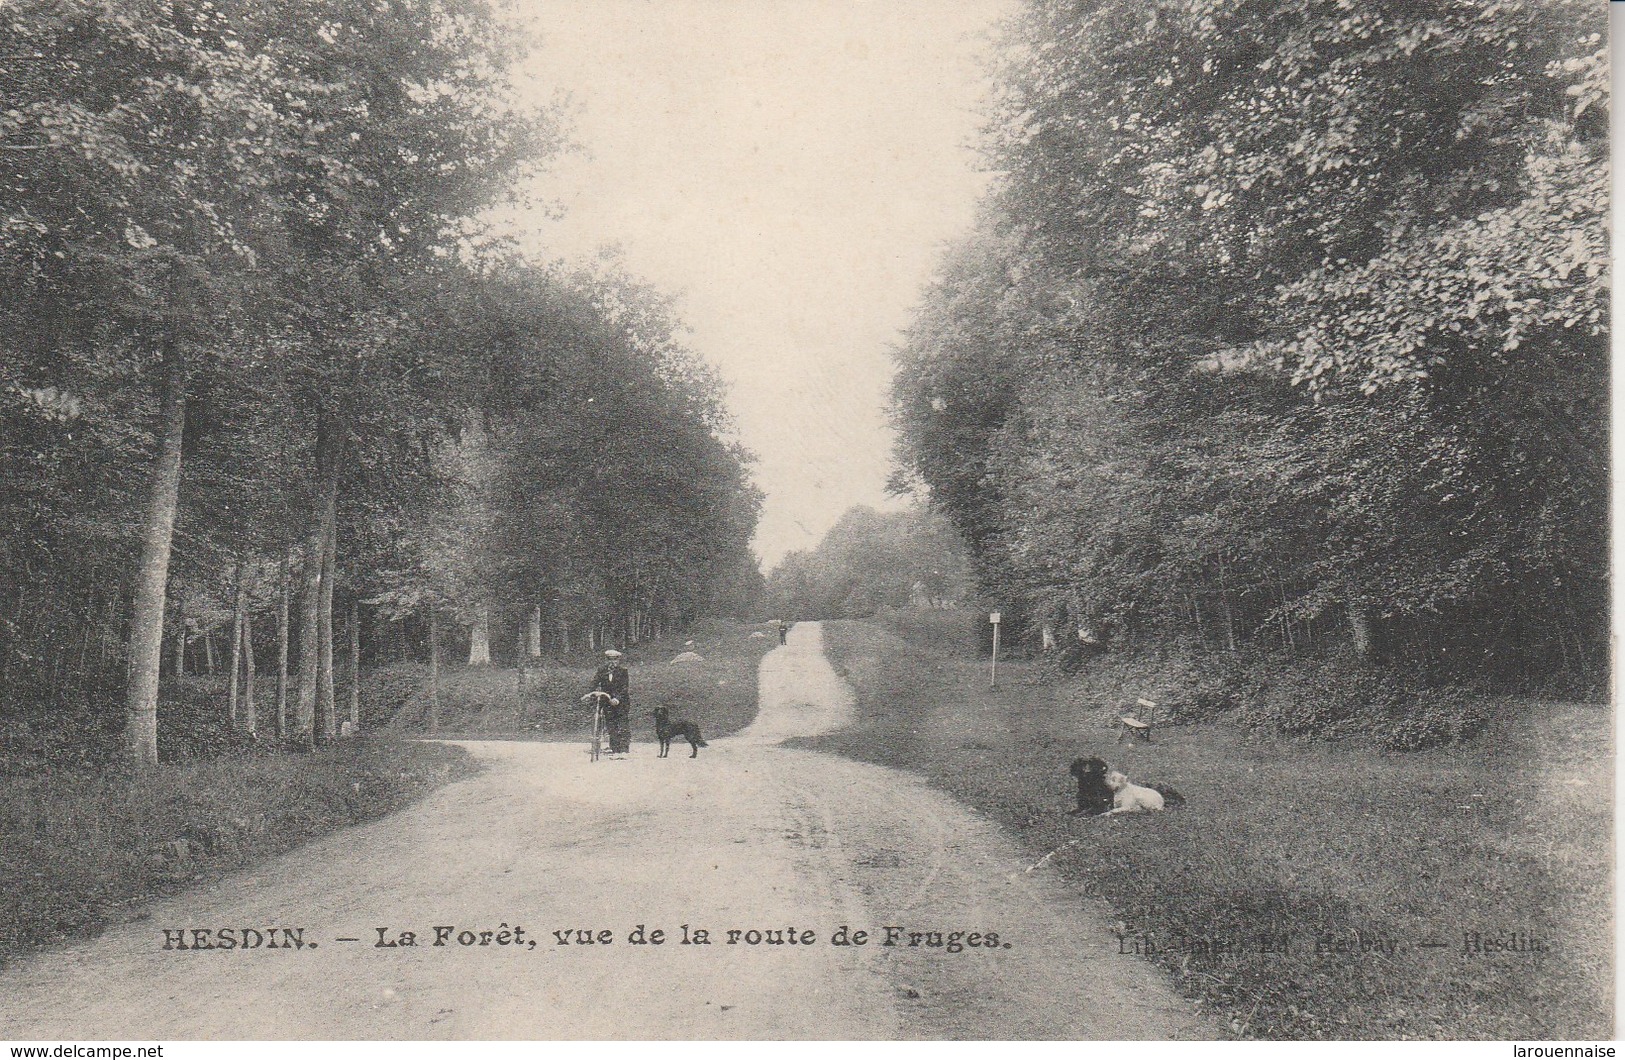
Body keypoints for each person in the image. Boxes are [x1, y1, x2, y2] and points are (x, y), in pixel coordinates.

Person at [589, 649, 631, 755]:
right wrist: (590, 693)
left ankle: (624, 749)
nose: (612, 662)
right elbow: (594, 682)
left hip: (621, 702)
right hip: (607, 702)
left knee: (622, 724)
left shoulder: (623, 671)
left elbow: (624, 688)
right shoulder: (602, 670)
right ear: (606, 660)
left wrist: (617, 699)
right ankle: (615, 749)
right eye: (610, 659)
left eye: (615, 660)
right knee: (611, 725)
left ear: (618, 660)